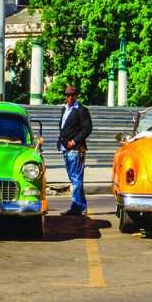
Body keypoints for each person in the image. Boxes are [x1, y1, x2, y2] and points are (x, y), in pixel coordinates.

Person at [57, 84, 93, 217]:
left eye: (72, 95)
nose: (70, 98)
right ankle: (82, 206)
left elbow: (87, 128)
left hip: (75, 149)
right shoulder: (64, 109)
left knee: (76, 178)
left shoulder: (81, 110)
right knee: (74, 178)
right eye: (67, 95)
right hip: (65, 149)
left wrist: (74, 141)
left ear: (76, 95)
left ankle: (76, 207)